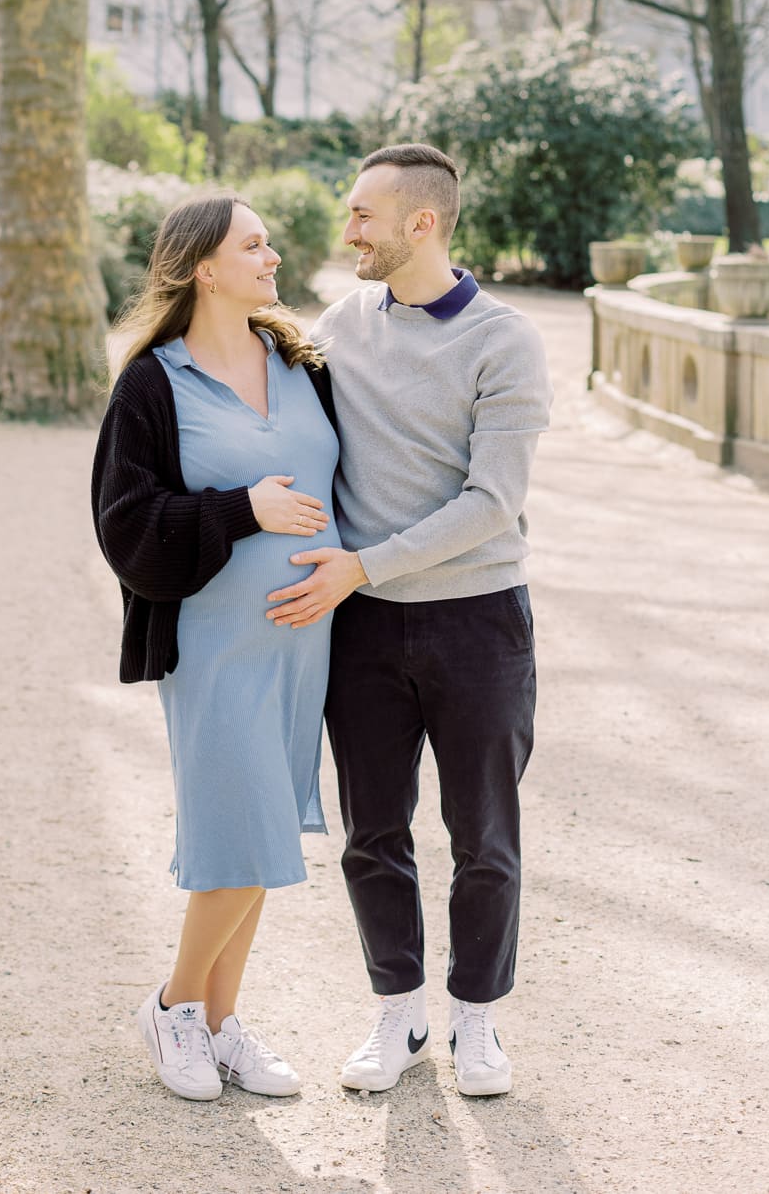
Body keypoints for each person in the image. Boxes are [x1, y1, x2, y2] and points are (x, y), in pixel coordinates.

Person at [265, 143, 553, 1099]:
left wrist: (365, 564)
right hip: (365, 628)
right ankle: (401, 1012)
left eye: (362, 215)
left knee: (485, 835)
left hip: (478, 622)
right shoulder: (342, 322)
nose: (347, 229)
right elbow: (257, 398)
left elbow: (492, 504)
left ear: (420, 223)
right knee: (371, 831)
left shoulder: (504, 341)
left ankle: (478, 1020)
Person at [91, 191, 339, 1103]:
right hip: (212, 646)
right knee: (242, 831)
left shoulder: (301, 360)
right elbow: (123, 526)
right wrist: (244, 510)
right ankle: (173, 1004)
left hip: (303, 644)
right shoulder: (153, 384)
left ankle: (224, 1024)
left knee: (264, 829)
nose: (273, 256)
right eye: (255, 244)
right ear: (204, 267)